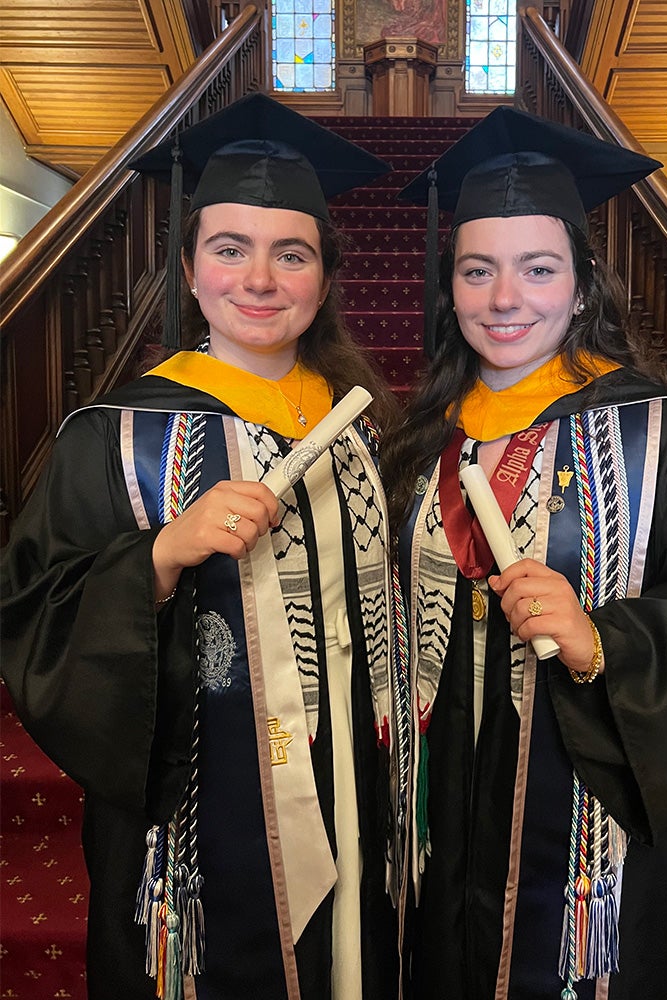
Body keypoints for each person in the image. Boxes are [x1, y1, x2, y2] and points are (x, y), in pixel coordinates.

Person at [381, 106, 667, 1000]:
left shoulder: (661, 436)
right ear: (448, 288)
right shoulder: (423, 441)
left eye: (538, 270)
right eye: (477, 271)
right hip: (443, 795)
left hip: (587, 821)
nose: (505, 300)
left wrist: (605, 640)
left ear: (580, 288)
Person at [1, 92, 404, 999]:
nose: (259, 278)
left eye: (290, 254)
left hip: (346, 773)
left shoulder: (363, 430)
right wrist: (153, 558)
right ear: (188, 270)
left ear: (324, 279)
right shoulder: (114, 433)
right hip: (197, 789)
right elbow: (31, 610)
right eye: (229, 249)